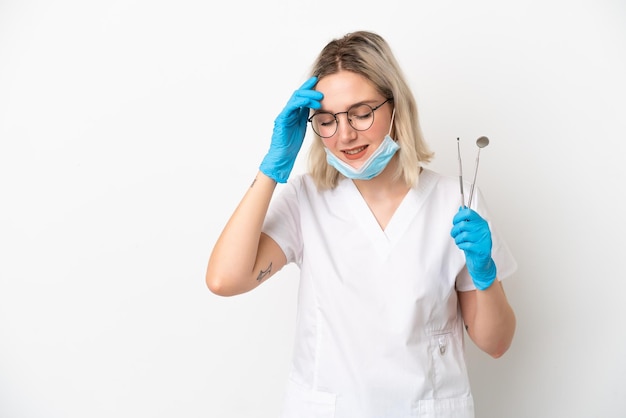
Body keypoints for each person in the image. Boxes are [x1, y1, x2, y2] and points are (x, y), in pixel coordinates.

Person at [206, 30, 517, 418]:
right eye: (327, 120)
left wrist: (484, 275)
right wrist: (271, 169)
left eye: (362, 112)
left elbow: (496, 343)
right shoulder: (306, 200)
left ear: (395, 107)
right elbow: (224, 280)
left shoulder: (455, 202)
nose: (345, 134)